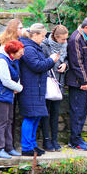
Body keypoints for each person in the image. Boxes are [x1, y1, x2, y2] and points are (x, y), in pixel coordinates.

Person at [18, 23, 59, 156]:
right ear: (34, 35)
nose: (43, 39)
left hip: (37, 88)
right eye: (42, 36)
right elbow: (36, 66)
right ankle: (26, 147)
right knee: (30, 117)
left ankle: (33, 145)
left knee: (36, 117)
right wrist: (51, 60)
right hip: (30, 89)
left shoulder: (34, 47)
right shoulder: (28, 49)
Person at [66, 16, 87, 151]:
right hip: (78, 83)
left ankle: (78, 137)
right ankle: (74, 141)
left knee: (83, 110)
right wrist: (84, 81)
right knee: (77, 111)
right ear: (86, 27)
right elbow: (76, 63)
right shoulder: (75, 39)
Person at [0, 40, 25, 159]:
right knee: (1, 122)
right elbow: (6, 80)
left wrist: (16, 87)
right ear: (12, 53)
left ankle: (9, 147)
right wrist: (20, 88)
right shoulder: (1, 61)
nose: (22, 54)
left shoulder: (12, 60)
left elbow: (15, 75)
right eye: (20, 52)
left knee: (9, 121)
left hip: (7, 95)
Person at [40, 25, 68, 151]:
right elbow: (42, 63)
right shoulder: (45, 45)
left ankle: (55, 140)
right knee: (46, 113)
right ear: (56, 37)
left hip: (59, 83)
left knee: (55, 113)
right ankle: (46, 141)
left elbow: (67, 58)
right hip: (47, 83)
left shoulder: (65, 45)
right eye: (62, 39)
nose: (65, 41)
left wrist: (65, 65)